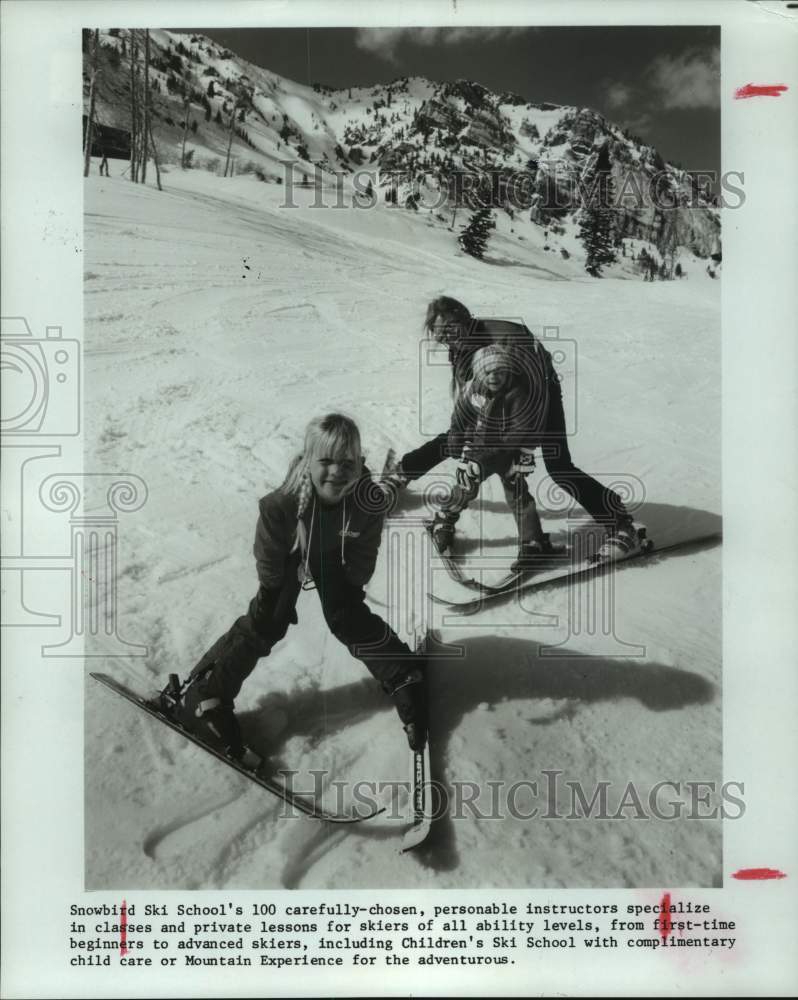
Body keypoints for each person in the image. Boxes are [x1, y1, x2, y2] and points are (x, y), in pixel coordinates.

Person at [174, 413, 427, 763]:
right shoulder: (283, 503)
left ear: (360, 462)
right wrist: (273, 588)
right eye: (325, 461)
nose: (336, 471)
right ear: (308, 462)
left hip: (333, 555)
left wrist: (352, 582)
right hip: (292, 554)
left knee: (346, 615)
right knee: (269, 620)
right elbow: (268, 550)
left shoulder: (367, 499)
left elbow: (366, 544)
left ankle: (401, 671)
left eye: (347, 462)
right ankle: (205, 693)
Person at [383, 296, 638, 559]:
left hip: (541, 394)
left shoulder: (507, 340)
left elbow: (534, 394)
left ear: (464, 319)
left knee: (559, 466)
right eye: (439, 335)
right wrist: (465, 437)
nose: (446, 338)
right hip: (498, 394)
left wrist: (524, 446)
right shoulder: (461, 344)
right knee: (454, 439)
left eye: (449, 330)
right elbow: (467, 396)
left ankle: (621, 526)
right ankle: (402, 473)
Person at [426, 344, 553, 571]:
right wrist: (457, 442)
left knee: (518, 494)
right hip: (479, 449)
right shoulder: (473, 389)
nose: (493, 377)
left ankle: (532, 542)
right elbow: (460, 416)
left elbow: (520, 431)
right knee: (465, 487)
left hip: (509, 452)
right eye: (487, 372)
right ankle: (443, 521)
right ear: (479, 373)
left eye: (499, 371)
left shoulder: (517, 394)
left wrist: (522, 455)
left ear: (508, 372)